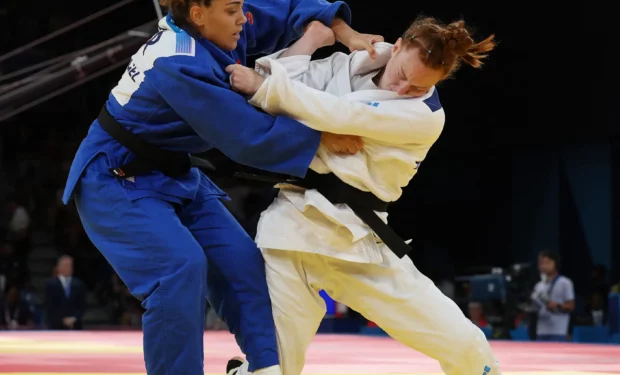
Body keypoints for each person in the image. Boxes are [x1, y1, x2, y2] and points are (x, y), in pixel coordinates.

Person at [61, 0, 382, 374]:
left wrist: (346, 34)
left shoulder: (224, 22)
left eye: (241, 7)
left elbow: (290, 5)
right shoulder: (177, 62)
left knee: (244, 263)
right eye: (232, 11)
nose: (243, 19)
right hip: (115, 178)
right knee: (179, 268)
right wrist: (321, 138)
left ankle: (266, 369)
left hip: (175, 172)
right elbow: (247, 136)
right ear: (198, 14)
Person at [224, 17, 498, 375]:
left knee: (464, 345)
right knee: (274, 367)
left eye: (417, 87)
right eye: (401, 74)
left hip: (357, 241)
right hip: (291, 228)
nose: (402, 89)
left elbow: (335, 113)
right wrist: (308, 43)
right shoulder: (355, 62)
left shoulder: (425, 116)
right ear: (396, 46)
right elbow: (294, 87)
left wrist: (263, 86)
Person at [530, 250, 575, 342]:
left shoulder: (565, 283)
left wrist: (557, 305)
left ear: (555, 263)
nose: (543, 266)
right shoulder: (539, 285)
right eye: (541, 263)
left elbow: (571, 306)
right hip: (541, 331)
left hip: (559, 331)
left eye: (547, 263)